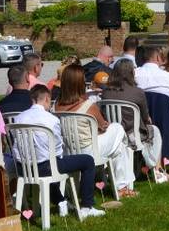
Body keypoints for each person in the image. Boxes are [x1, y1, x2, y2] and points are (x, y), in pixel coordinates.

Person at [13, 85, 106, 220]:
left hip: (23, 168)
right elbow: (57, 148)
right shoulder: (51, 119)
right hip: (46, 167)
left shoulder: (19, 118)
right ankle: (87, 206)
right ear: (46, 99)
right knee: (87, 161)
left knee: (47, 160)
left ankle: (61, 201)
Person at [54, 64, 135, 197]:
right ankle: (122, 188)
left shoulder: (56, 104)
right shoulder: (88, 106)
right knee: (118, 129)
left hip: (68, 149)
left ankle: (122, 187)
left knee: (120, 146)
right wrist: (103, 128)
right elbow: (103, 125)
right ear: (80, 83)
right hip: (88, 150)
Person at [99, 59, 169, 183]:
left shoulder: (106, 92)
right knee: (154, 130)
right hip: (132, 135)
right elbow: (145, 117)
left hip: (114, 134)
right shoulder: (137, 92)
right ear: (132, 73)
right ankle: (156, 169)